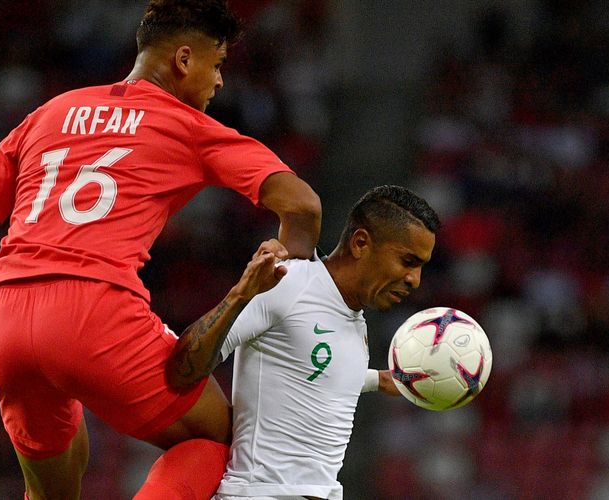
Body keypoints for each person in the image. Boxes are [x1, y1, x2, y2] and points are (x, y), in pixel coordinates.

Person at [0, 1, 321, 499]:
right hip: (96, 311)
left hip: (6, 321)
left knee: (53, 486)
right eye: (217, 64)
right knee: (226, 441)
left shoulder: (48, 113)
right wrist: (289, 293)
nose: (220, 81)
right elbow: (303, 206)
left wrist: (25, 308)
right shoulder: (188, 126)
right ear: (184, 60)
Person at [167, 185, 441, 500]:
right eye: (408, 261)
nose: (415, 280)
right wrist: (240, 295)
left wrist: (376, 380)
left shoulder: (354, 320)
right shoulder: (289, 283)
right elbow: (183, 368)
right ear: (361, 243)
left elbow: (309, 367)